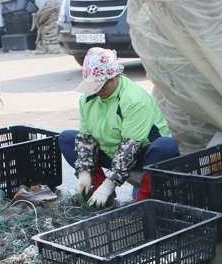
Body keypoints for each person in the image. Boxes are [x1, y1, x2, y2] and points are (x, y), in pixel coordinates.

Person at [58, 47, 179, 208]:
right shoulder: (88, 99)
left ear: (115, 76)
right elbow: (86, 139)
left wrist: (110, 184)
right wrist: (84, 171)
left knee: (166, 146)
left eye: (102, 86)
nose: (98, 91)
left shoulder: (134, 99)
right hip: (112, 152)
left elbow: (130, 149)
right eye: (93, 86)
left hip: (142, 155)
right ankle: (97, 194)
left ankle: (143, 201)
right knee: (67, 138)